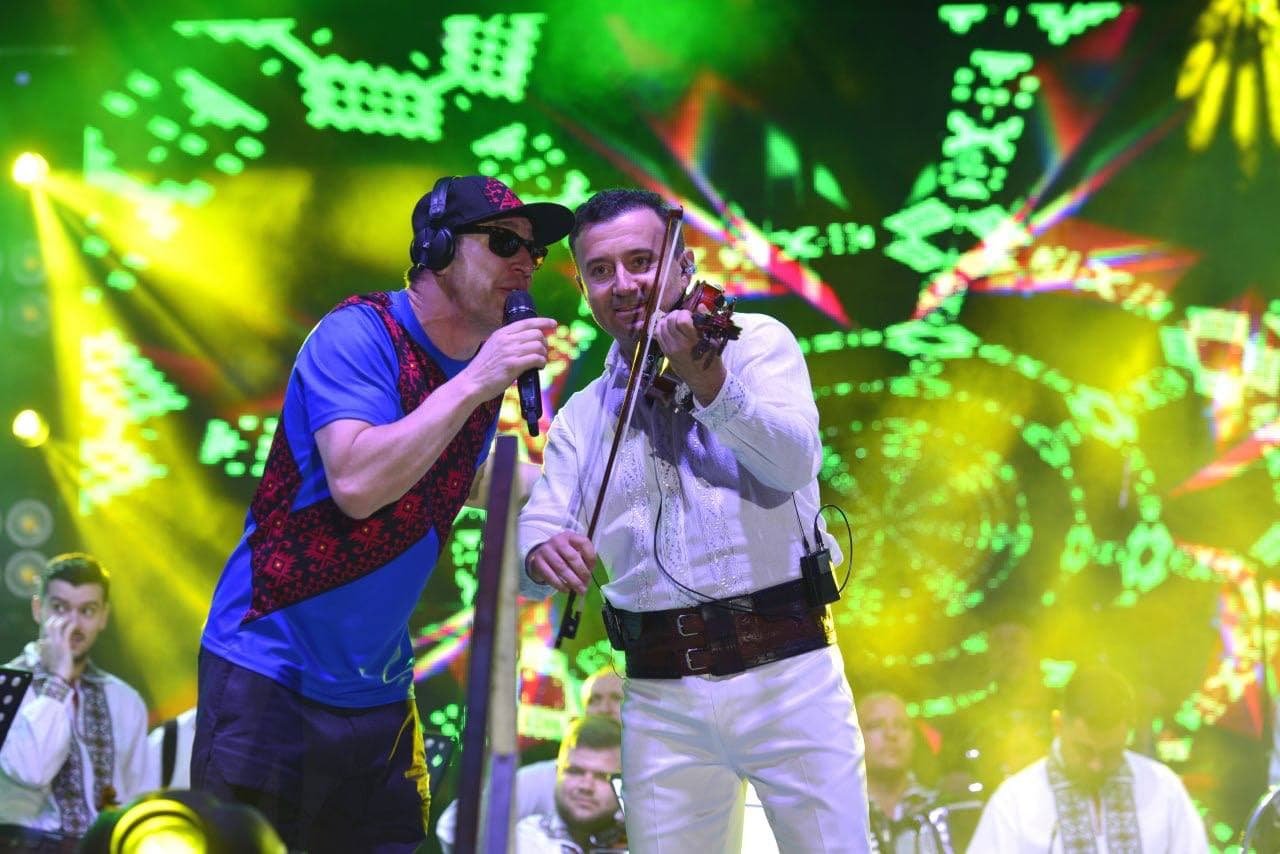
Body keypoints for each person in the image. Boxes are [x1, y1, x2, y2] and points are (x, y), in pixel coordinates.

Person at [192, 175, 573, 852]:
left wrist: (560, 490)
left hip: (379, 693)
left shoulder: (476, 370)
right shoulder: (360, 333)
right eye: (503, 242)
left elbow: (447, 470)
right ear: (438, 249)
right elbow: (358, 482)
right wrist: (478, 381)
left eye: (535, 251)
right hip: (270, 671)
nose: (525, 263)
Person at [518, 188, 871, 852]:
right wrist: (539, 554)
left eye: (640, 261)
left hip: (789, 675)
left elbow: (794, 462)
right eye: (601, 271)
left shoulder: (755, 345)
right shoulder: (583, 417)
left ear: (684, 264)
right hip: (659, 698)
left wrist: (710, 383)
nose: (624, 284)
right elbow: (538, 533)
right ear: (585, 290)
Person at [967, 665, 1209, 853]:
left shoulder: (1163, 788)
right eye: (1084, 751)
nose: (1097, 765)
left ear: (1128, 731)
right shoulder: (1016, 801)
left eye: (1111, 753)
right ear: (1058, 725)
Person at [0, 553, 148, 844]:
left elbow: (139, 794)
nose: (73, 624)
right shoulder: (7, 685)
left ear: (103, 616)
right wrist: (59, 678)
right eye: (59, 608)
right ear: (38, 609)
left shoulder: (124, 699)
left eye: (87, 611)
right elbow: (33, 771)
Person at [436, 665, 625, 852]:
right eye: (594, 699)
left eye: (617, 698)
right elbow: (453, 827)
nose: (604, 709)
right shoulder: (542, 777)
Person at [515, 714, 626, 853]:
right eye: (575, 772)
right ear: (557, 772)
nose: (586, 786)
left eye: (602, 777)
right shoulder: (523, 842)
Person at [860, 692, 940, 853]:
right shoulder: (834, 817)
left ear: (913, 740)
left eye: (901, 726)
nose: (891, 734)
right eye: (876, 725)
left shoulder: (940, 811)